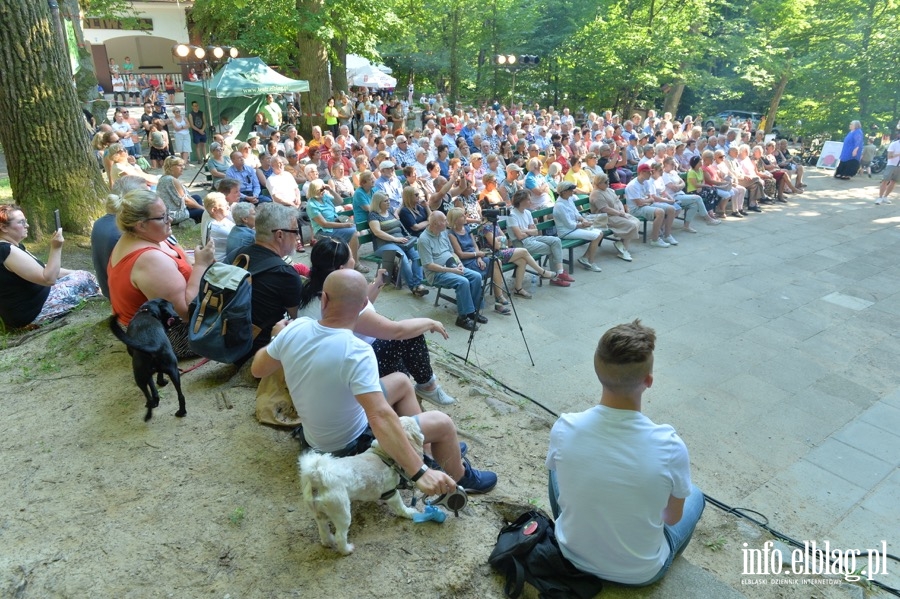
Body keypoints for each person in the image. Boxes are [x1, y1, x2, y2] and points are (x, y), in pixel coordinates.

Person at [251, 269, 497, 494]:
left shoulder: (297, 328)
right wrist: (419, 473)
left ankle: (427, 452)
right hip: (348, 446)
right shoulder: (356, 351)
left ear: (323, 299)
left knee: (400, 381)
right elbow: (379, 416)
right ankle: (459, 476)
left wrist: (277, 337)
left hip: (314, 439)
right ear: (363, 306)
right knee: (442, 422)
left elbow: (258, 369)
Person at [546, 320, 704, 586]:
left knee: (557, 468)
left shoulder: (565, 427)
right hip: (639, 574)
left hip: (571, 555)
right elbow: (672, 518)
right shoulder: (670, 445)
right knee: (696, 495)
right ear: (649, 381)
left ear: (597, 371)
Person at [296, 239, 457, 407]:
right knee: (409, 337)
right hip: (352, 369)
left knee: (400, 349)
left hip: (333, 365)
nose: (354, 260)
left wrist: (377, 283)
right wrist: (430, 322)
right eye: (351, 257)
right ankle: (427, 387)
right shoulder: (343, 303)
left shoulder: (311, 290)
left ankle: (407, 396)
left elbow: (361, 305)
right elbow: (397, 331)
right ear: (341, 269)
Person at [108, 190, 215, 357]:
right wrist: (202, 265)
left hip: (151, 325)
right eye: (162, 217)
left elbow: (185, 259)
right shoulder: (149, 260)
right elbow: (185, 313)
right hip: (165, 337)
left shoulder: (145, 236)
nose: (170, 219)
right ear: (140, 224)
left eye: (168, 213)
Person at [0, 204, 100, 330]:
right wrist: (56, 248)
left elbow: (42, 267)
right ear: (3, 227)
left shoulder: (12, 246)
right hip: (32, 312)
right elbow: (49, 279)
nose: (27, 225)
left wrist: (74, 272)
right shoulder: (6, 250)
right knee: (86, 279)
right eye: (21, 222)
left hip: (35, 302)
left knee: (82, 275)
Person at [417, 211, 486, 331]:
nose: (447, 222)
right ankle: (462, 318)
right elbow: (429, 265)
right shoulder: (423, 240)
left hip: (451, 265)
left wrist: (458, 263)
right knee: (463, 282)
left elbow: (452, 252)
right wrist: (452, 270)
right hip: (437, 273)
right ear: (435, 224)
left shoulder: (443, 232)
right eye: (444, 220)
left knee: (476, 276)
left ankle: (472, 311)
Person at [92, 177, 148, 299]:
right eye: (145, 194)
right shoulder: (126, 230)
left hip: (110, 292)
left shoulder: (99, 223)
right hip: (127, 298)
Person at [368, 192, 429, 297]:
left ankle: (418, 284)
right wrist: (395, 239)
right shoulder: (373, 215)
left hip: (401, 241)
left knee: (417, 256)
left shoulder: (391, 211)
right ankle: (413, 286)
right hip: (384, 245)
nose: (388, 202)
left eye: (388, 200)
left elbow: (398, 211)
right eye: (386, 201)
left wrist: (402, 203)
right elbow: (377, 232)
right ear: (378, 203)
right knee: (402, 257)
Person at [507, 190, 572, 288]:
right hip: (521, 244)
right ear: (521, 201)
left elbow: (535, 232)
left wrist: (524, 230)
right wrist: (529, 231)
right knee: (553, 249)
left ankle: (560, 272)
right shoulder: (512, 215)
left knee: (556, 241)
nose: (531, 201)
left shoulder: (528, 213)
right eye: (528, 199)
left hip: (532, 238)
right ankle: (556, 278)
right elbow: (519, 237)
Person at [307, 179, 370, 273]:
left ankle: (347, 258)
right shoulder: (311, 205)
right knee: (355, 233)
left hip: (335, 224)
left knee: (362, 231)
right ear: (314, 190)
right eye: (320, 190)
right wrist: (345, 225)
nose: (322, 191)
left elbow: (340, 201)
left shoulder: (325, 197)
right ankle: (355, 263)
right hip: (324, 231)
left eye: (323, 189)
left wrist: (331, 190)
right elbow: (324, 224)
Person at [553, 181, 604, 271]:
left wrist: (583, 220)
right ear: (564, 192)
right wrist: (583, 225)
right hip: (567, 232)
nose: (573, 191)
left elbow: (576, 214)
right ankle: (590, 262)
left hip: (575, 228)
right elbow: (569, 225)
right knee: (596, 235)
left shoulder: (569, 199)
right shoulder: (559, 206)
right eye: (571, 189)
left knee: (600, 233)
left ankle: (585, 258)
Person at [625, 163, 676, 248]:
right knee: (660, 212)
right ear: (642, 172)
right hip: (636, 209)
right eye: (648, 172)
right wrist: (648, 200)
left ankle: (667, 235)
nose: (650, 174)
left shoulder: (645, 182)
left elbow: (649, 197)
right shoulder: (633, 185)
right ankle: (655, 239)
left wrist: (648, 201)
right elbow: (639, 202)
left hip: (646, 205)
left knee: (671, 209)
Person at [589, 173, 636, 261]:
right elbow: (605, 209)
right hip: (605, 218)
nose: (608, 183)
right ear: (599, 183)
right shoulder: (596, 194)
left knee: (635, 221)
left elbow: (618, 201)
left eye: (608, 181)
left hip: (617, 214)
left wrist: (622, 210)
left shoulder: (609, 190)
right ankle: (623, 250)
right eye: (606, 182)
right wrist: (619, 213)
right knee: (631, 225)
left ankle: (621, 244)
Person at [157, 156, 204, 224]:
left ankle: (197, 218)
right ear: (170, 167)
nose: (182, 167)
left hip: (172, 209)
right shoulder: (172, 180)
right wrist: (202, 208)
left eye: (183, 165)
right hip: (173, 215)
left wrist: (200, 207)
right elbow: (186, 201)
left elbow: (187, 196)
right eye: (179, 165)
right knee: (203, 211)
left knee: (197, 197)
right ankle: (197, 218)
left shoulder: (165, 177)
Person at [203, 192, 235, 261]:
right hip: (223, 262)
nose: (228, 207)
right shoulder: (217, 228)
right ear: (214, 210)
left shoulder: (218, 218)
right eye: (225, 205)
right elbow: (241, 238)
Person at [876, 131, 900, 205]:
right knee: (885, 181)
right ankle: (880, 197)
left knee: (894, 182)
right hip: (891, 165)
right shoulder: (894, 144)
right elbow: (889, 156)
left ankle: (885, 196)